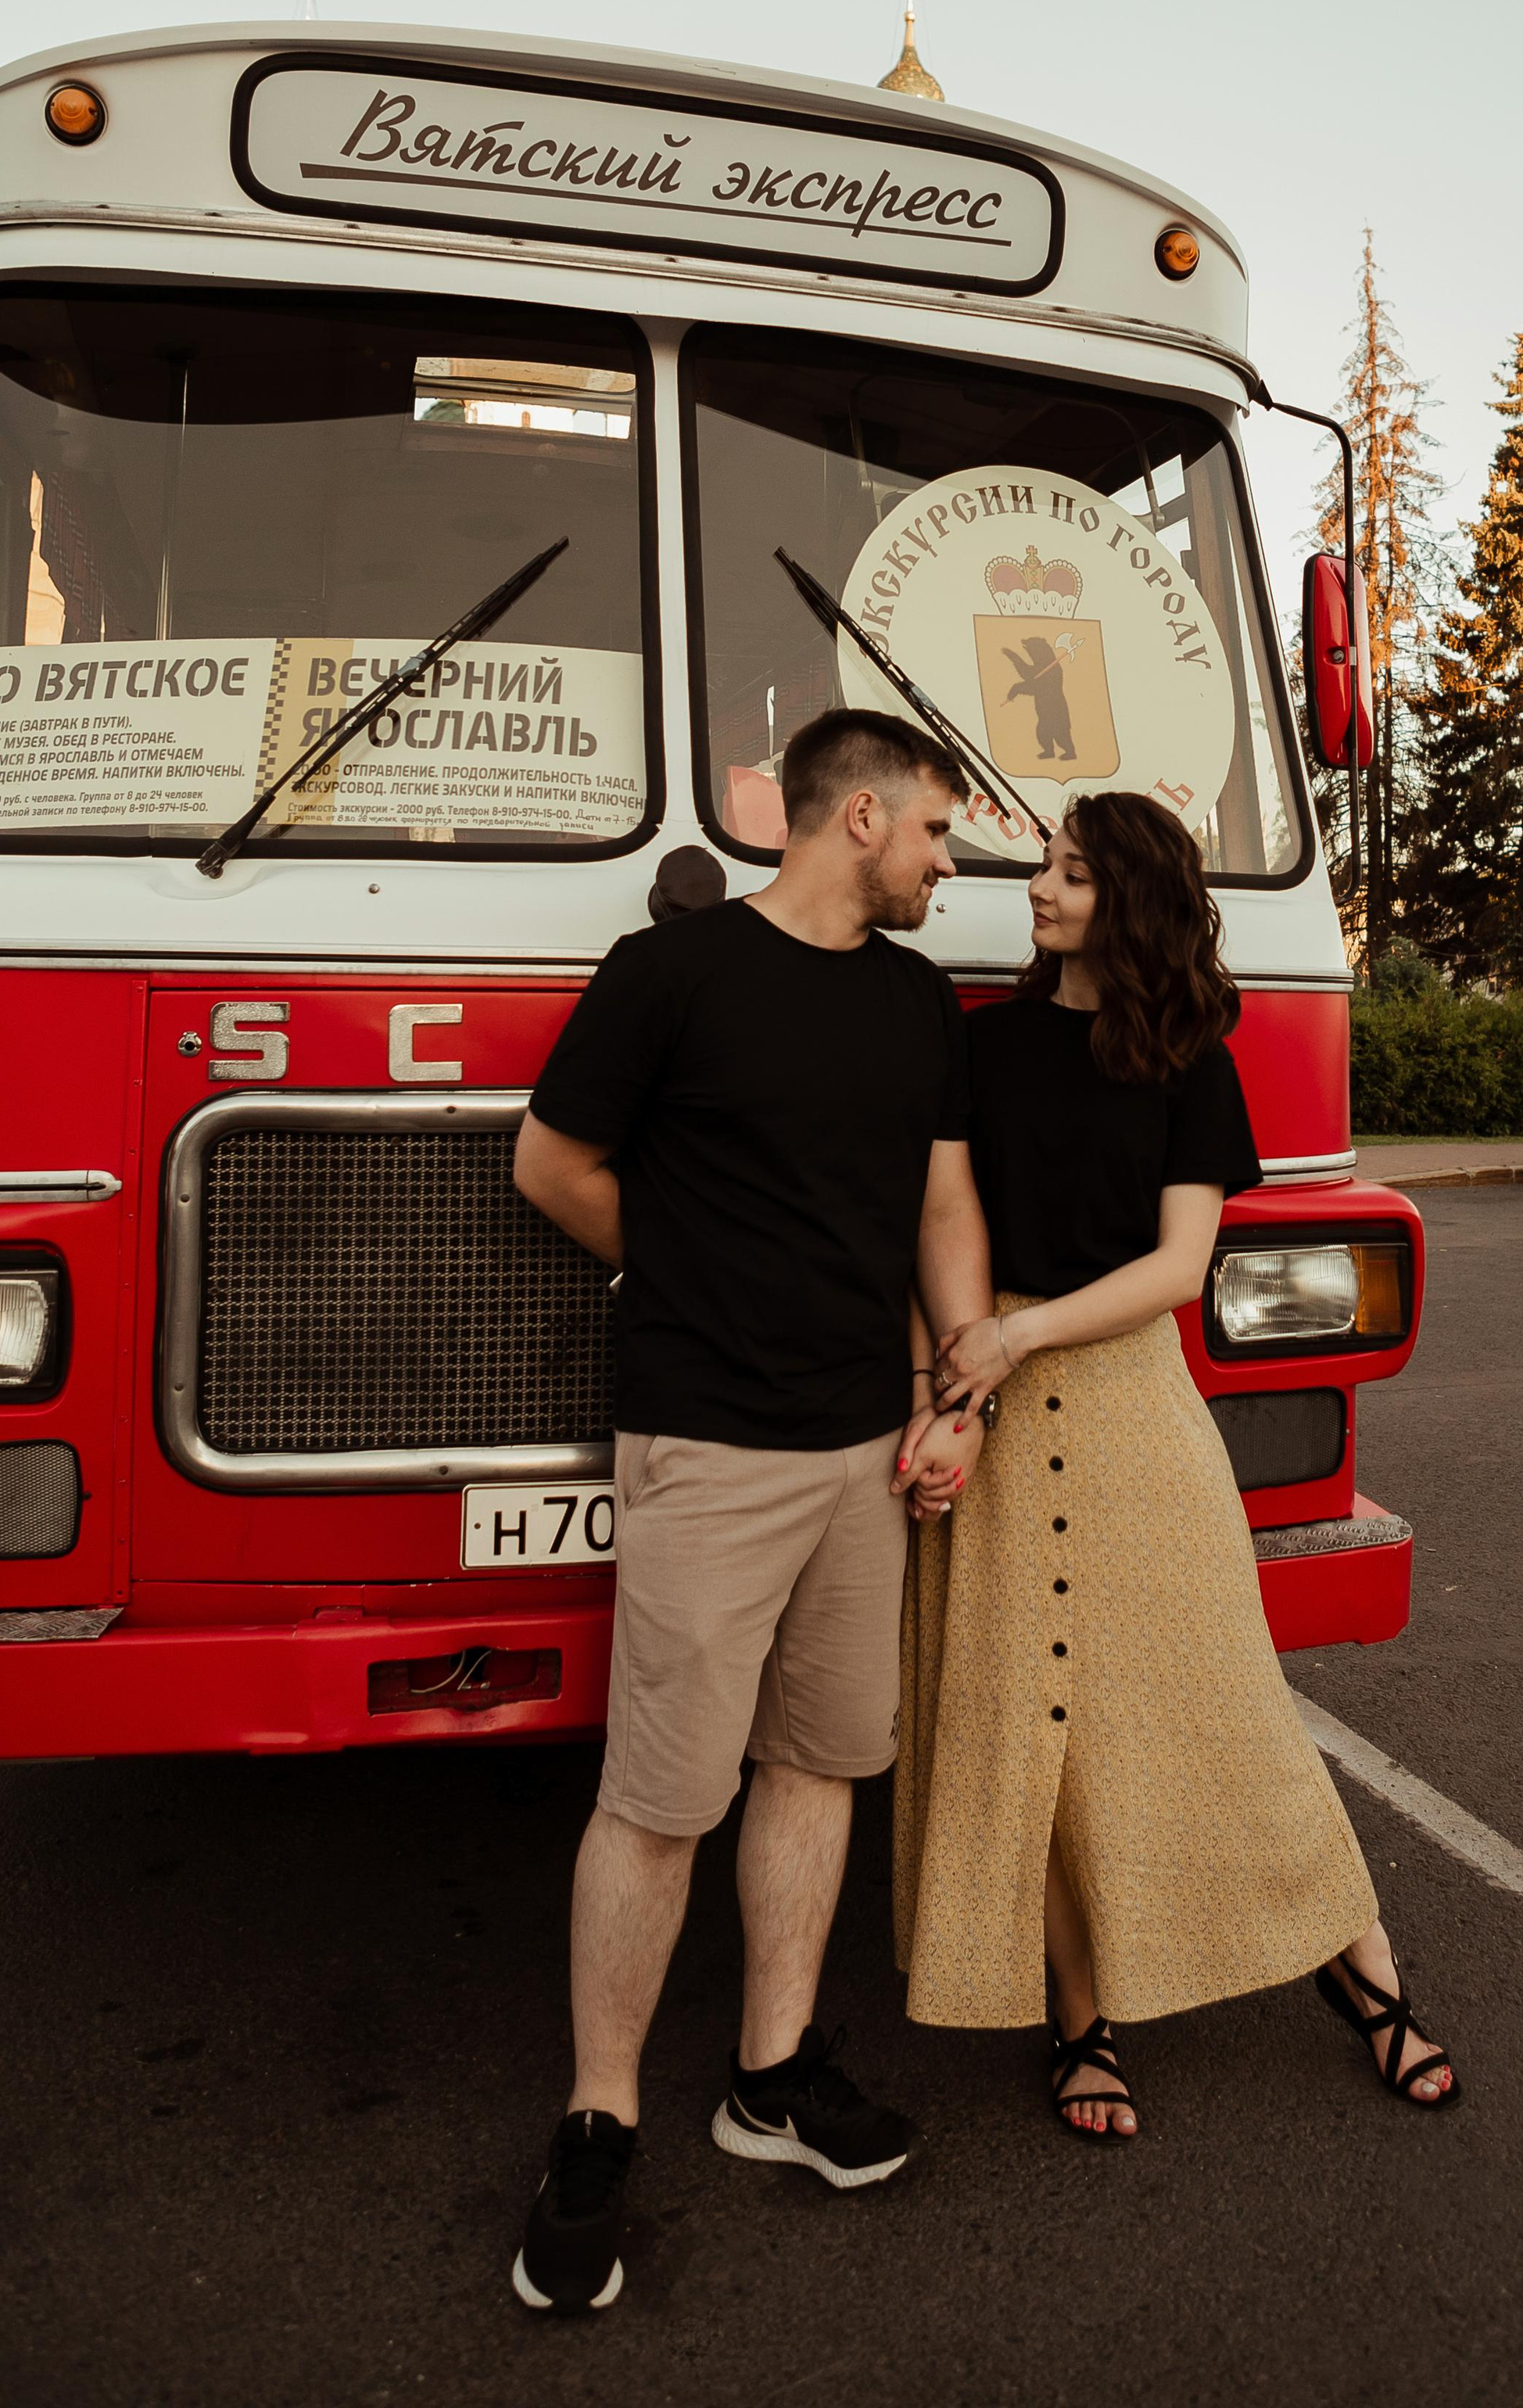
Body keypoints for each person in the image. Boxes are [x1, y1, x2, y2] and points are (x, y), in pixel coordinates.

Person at [508, 709, 997, 2315]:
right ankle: (598, 2121)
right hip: (704, 1449)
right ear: (859, 817)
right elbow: (552, 1163)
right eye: (935, 831)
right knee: (658, 1797)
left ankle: (769, 2080)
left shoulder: (918, 1001)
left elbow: (938, 1202)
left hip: (865, 1452)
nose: (947, 861)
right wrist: (676, 1272)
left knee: (819, 1764)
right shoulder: (672, 974)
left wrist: (956, 1392)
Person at [894, 793, 1458, 2137]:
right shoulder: (981, 1046)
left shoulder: (1193, 1055)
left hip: (1131, 1402)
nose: (1037, 888)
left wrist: (1014, 1336)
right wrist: (951, 1389)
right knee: (1036, 1740)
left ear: (1130, 903)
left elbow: (1174, 1268)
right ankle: (1081, 2024)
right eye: (1046, 865)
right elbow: (944, 1213)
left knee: (1229, 1708)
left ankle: (1365, 1979)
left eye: (1070, 874)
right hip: (995, 1410)